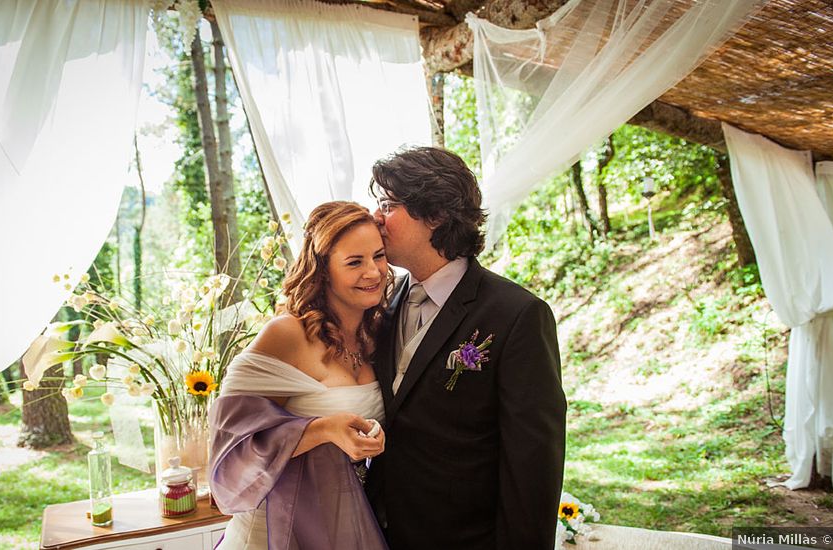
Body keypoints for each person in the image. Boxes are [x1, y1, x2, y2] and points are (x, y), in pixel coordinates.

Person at [365, 146, 567, 549]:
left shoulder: (518, 316)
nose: (375, 218)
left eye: (388, 205)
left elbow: (533, 467)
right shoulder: (380, 303)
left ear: (436, 214)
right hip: (378, 533)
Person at [209, 201, 392, 550]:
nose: (374, 272)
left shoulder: (376, 334)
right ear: (322, 271)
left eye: (379, 256)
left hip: (344, 526)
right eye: (355, 262)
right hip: (274, 532)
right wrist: (322, 429)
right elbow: (231, 445)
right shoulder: (286, 335)